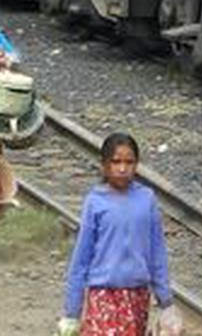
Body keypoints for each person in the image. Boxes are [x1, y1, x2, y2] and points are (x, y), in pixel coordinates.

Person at [59, 132, 180, 336]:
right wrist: (72, 311)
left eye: (129, 162)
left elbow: (157, 254)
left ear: (137, 164)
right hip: (104, 296)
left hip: (137, 297)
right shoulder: (95, 202)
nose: (122, 169)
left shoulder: (146, 200)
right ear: (104, 165)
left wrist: (166, 302)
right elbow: (81, 258)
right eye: (116, 162)